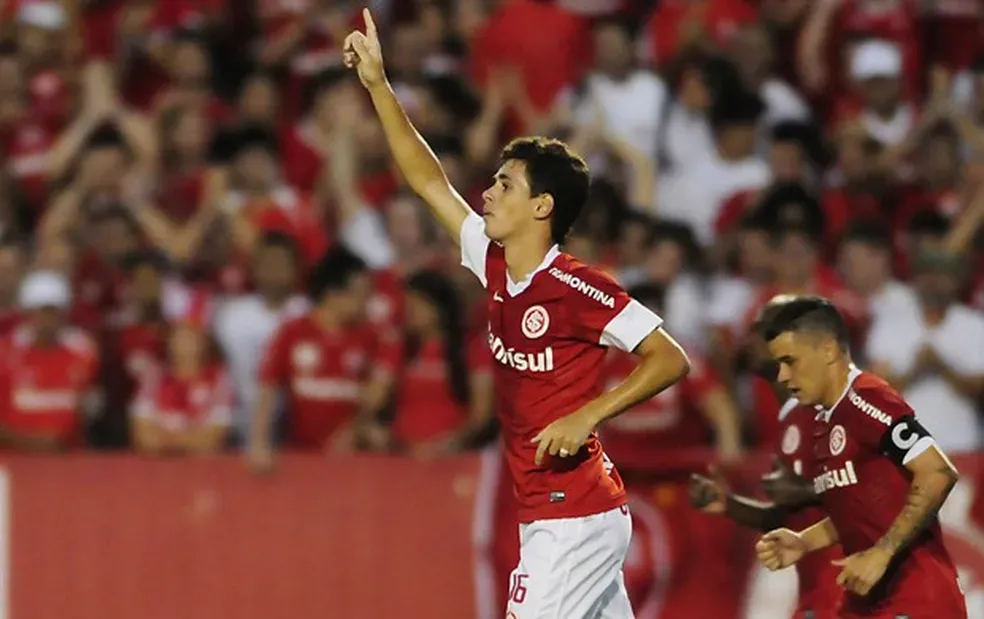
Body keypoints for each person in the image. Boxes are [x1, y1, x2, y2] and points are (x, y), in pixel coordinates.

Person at [342, 10, 691, 618]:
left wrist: (588, 414)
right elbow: (429, 182)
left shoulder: (578, 286)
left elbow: (670, 357)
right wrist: (378, 85)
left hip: (573, 515)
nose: (487, 193)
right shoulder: (495, 262)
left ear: (542, 207)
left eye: (505, 186)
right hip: (554, 511)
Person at [753, 296, 966, 619]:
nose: (781, 375)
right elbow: (858, 509)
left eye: (790, 361)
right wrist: (804, 542)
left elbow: (937, 472)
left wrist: (882, 553)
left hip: (916, 597)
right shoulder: (825, 420)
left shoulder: (866, 398)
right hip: (865, 601)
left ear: (827, 350)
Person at [690, 294, 841, 619]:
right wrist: (727, 503)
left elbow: (874, 495)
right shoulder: (791, 415)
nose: (751, 337)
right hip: (816, 590)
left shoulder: (831, 410)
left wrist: (802, 490)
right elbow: (788, 516)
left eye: (764, 328)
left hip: (845, 594)